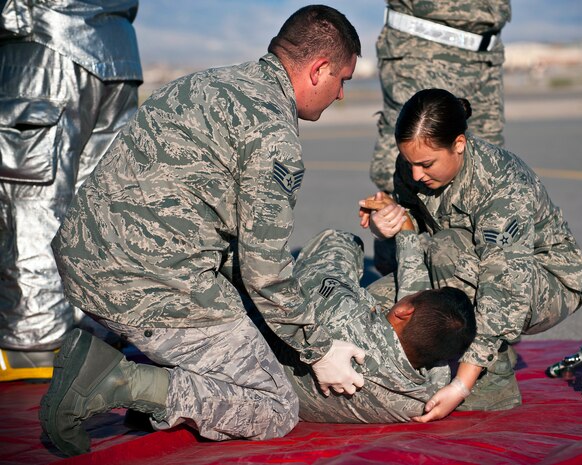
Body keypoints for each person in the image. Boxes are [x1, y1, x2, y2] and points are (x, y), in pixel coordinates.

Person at [39, 5, 364, 457]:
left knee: (237, 317)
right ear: (319, 69)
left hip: (84, 256)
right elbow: (265, 271)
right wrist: (319, 349)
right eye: (342, 79)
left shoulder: (205, 83)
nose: (342, 94)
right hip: (144, 282)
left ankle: (143, 377)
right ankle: (117, 382)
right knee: (274, 406)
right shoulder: (274, 135)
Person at [359, 88, 582, 422]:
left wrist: (461, 385)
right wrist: (385, 224)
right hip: (465, 263)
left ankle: (491, 384)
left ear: (460, 144)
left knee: (447, 250)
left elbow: (505, 288)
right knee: (380, 303)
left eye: (426, 164)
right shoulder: (412, 165)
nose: (416, 175)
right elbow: (412, 233)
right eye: (409, 163)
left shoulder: (502, 182)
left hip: (544, 282)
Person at [0, 0, 142, 382]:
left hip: (43, 46)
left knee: (30, 202)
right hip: (118, 53)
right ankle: (95, 335)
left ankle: (34, 344)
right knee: (100, 210)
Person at [265, 228, 485, 423]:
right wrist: (407, 235)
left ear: (403, 312)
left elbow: (303, 281)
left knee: (343, 241)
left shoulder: (343, 312)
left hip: (262, 344)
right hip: (284, 399)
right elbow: (417, 309)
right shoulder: (425, 397)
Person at [369, 0, 511, 275]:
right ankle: (407, 291)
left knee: (487, 172)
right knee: (416, 167)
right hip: (424, 43)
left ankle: (470, 286)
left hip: (485, 49)